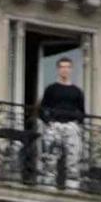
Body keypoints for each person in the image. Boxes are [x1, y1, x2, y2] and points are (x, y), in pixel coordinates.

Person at [33, 54, 89, 188]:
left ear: (71, 70)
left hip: (70, 126)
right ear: (58, 70)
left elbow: (82, 111)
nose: (65, 70)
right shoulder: (51, 89)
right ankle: (48, 184)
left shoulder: (77, 91)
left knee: (73, 159)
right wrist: (49, 122)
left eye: (67, 67)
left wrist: (76, 123)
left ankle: (72, 185)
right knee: (50, 157)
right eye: (62, 67)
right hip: (55, 125)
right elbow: (41, 109)